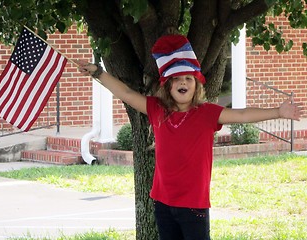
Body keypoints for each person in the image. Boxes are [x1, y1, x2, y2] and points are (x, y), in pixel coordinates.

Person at [76, 34, 302, 240]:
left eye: (188, 78)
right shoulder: (157, 109)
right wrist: (98, 72)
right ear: (167, 85)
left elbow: (242, 114)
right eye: (177, 79)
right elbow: (125, 93)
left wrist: (278, 112)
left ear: (196, 86)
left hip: (193, 206)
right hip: (163, 203)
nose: (183, 82)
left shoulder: (206, 113)